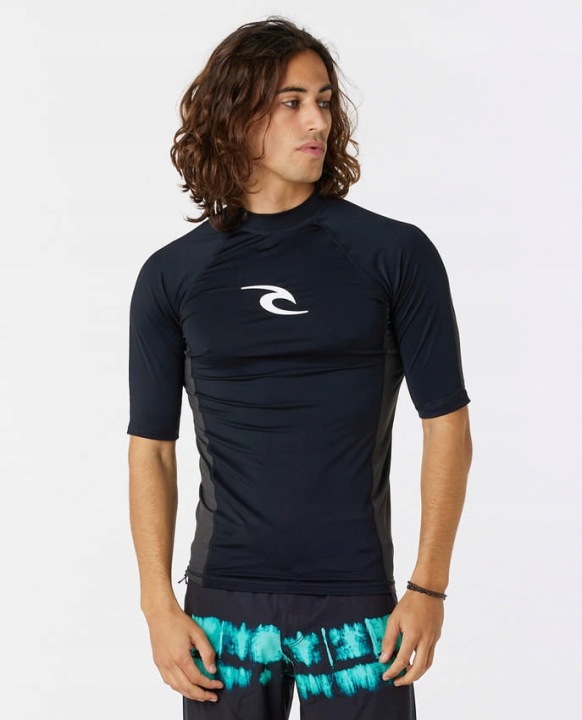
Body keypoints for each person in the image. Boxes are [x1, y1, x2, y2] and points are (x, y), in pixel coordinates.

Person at [126, 16, 473, 720]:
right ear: (235, 115)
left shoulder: (392, 254)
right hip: (222, 608)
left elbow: (448, 425)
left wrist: (428, 588)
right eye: (291, 102)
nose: (317, 120)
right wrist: (158, 605)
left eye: (323, 100)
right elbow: (150, 449)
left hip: (358, 606)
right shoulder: (173, 275)